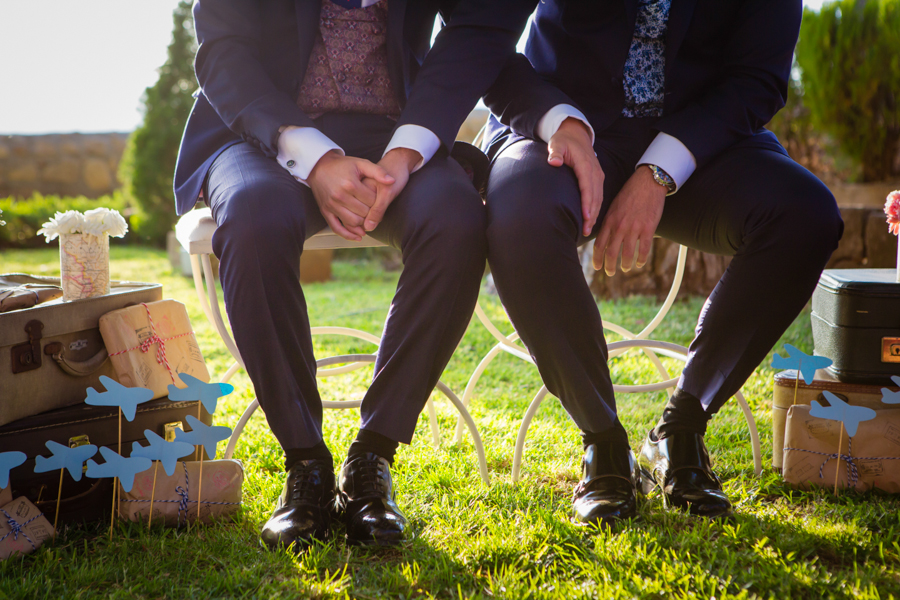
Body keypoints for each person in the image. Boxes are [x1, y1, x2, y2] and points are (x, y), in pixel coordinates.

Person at [391, 0, 844, 526]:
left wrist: (658, 169)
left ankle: (681, 428)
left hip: (699, 138)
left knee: (805, 214)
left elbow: (758, 77)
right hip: (561, 122)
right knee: (520, 215)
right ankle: (603, 442)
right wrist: (558, 119)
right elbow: (484, 32)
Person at [172, 0, 491, 551]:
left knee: (456, 221)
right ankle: (306, 467)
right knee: (252, 220)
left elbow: (477, 25)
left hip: (393, 133)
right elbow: (222, 47)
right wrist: (314, 157)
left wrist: (408, 148)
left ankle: (372, 459)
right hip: (260, 135)